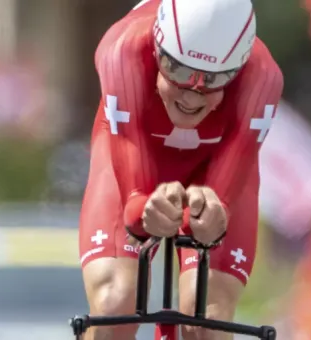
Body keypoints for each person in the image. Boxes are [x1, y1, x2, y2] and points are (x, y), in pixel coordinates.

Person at [77, 0, 283, 339]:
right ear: (158, 50)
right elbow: (134, 205)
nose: (192, 95)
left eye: (216, 79)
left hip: (213, 167)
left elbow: (225, 196)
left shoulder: (262, 77)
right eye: (179, 71)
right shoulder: (122, 51)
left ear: (239, 68)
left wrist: (213, 217)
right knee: (115, 304)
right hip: (132, 158)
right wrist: (142, 208)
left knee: (207, 317)